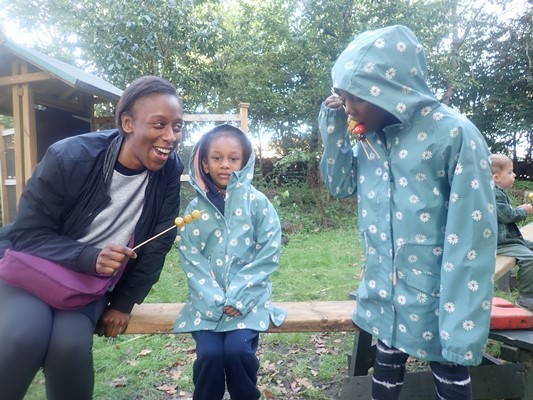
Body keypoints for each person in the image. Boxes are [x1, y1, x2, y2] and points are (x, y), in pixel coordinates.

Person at [319, 25, 497, 400]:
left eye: (356, 97)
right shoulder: (369, 135)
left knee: (449, 370)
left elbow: (471, 238)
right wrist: (334, 127)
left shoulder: (453, 135)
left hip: (438, 299)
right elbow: (339, 186)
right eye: (342, 95)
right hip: (384, 292)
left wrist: (461, 324)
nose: (348, 106)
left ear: (390, 90)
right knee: (385, 363)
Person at [0, 75, 184, 400]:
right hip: (33, 271)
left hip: (89, 285)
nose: (170, 137)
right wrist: (89, 256)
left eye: (177, 126)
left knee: (68, 347)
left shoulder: (169, 172)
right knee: (24, 338)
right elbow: (26, 235)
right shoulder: (69, 157)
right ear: (128, 123)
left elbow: (157, 244)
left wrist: (124, 303)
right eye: (159, 124)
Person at [173, 124, 286, 400]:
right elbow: (190, 256)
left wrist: (239, 294)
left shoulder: (257, 204)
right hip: (206, 303)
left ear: (244, 162)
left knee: (237, 352)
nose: (225, 165)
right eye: (217, 158)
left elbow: (268, 253)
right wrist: (213, 298)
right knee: (210, 355)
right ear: (204, 162)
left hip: (248, 301)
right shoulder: (194, 212)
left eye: (233, 158)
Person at [490, 153, 533, 309]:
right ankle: (526, 297)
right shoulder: (494, 193)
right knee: (529, 258)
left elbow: (503, 213)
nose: (514, 175)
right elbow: (507, 216)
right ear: (496, 177)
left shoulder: (499, 192)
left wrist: (518, 209)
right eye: (510, 172)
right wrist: (523, 212)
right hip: (501, 242)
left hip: (510, 239)